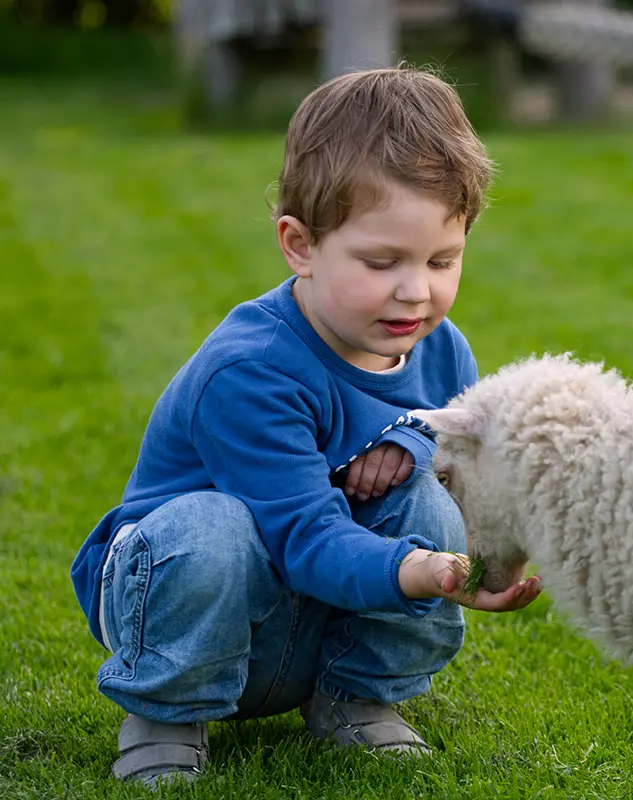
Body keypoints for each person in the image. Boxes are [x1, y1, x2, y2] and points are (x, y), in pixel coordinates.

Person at [68, 64, 541, 788]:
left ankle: (358, 697)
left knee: (429, 500)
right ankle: (164, 713)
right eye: (381, 262)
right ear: (300, 245)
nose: (416, 291)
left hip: (313, 618)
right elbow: (301, 535)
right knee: (213, 527)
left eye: (443, 260)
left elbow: (442, 433)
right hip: (195, 611)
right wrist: (418, 570)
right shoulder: (251, 370)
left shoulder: (440, 347)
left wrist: (411, 444)